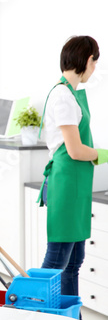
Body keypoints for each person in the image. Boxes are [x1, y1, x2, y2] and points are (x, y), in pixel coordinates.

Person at [38, 36, 108, 301]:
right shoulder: (62, 96)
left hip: (76, 187)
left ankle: (71, 315)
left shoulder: (70, 93)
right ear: (89, 59)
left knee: (73, 264)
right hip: (67, 186)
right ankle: (35, 311)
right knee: (56, 264)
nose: (95, 69)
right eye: (95, 63)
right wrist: (104, 154)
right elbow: (76, 150)